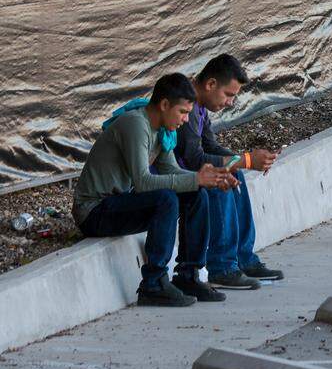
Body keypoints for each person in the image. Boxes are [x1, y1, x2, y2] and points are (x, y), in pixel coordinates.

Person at [72, 74, 237, 307]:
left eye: (189, 113)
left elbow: (170, 170)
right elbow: (143, 182)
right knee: (166, 199)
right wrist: (196, 178)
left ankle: (188, 275)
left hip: (119, 203)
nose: (185, 119)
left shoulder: (163, 131)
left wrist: (208, 178)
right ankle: (153, 283)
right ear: (164, 105)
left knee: (196, 195)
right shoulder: (136, 124)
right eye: (182, 112)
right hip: (94, 211)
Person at [174, 55, 284, 289]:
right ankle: (221, 267)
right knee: (220, 178)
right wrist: (244, 160)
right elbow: (194, 159)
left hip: (188, 172)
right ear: (210, 84)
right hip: (171, 177)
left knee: (235, 173)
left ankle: (242, 257)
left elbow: (210, 145)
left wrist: (246, 160)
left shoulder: (199, 108)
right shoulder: (187, 106)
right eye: (229, 95)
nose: (230, 103)